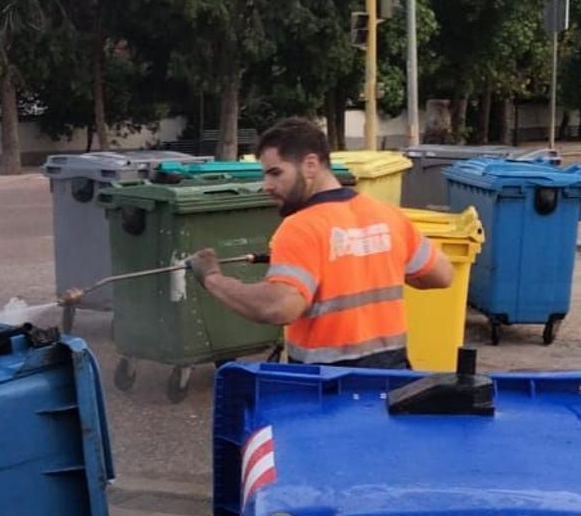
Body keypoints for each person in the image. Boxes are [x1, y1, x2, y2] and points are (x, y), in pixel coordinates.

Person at [187, 117, 453, 369]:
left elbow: (278, 307)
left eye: (276, 173)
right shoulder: (386, 215)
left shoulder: (300, 227)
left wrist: (213, 279)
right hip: (389, 383)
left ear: (311, 165)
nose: (267, 185)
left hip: (326, 388)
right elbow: (442, 275)